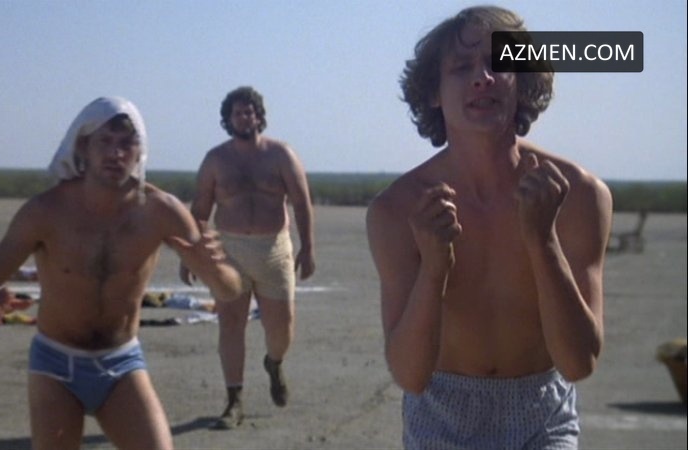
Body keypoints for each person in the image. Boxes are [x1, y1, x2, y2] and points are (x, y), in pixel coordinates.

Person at [366, 6, 612, 449]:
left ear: (522, 81)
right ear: (434, 92)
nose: (483, 78)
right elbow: (410, 375)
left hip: (542, 416)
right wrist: (434, 269)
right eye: (461, 67)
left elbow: (579, 363)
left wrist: (543, 240)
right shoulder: (398, 210)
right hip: (440, 418)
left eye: (500, 64)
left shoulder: (577, 194)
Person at [0, 96, 241, 450]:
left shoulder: (161, 211)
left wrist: (213, 270)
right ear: (83, 147)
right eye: (104, 141)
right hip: (55, 364)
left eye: (127, 143)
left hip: (121, 362)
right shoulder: (45, 211)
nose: (115, 153)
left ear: (141, 150)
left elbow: (230, 290)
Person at [180, 86, 315, 429]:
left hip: (274, 250)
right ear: (228, 120)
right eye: (237, 113)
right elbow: (200, 209)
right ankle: (234, 400)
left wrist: (308, 248)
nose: (244, 118)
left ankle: (274, 362)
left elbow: (301, 202)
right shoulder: (216, 160)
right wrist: (190, 255)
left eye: (249, 112)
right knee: (230, 325)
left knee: (281, 329)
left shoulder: (281, 155)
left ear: (259, 116)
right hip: (230, 250)